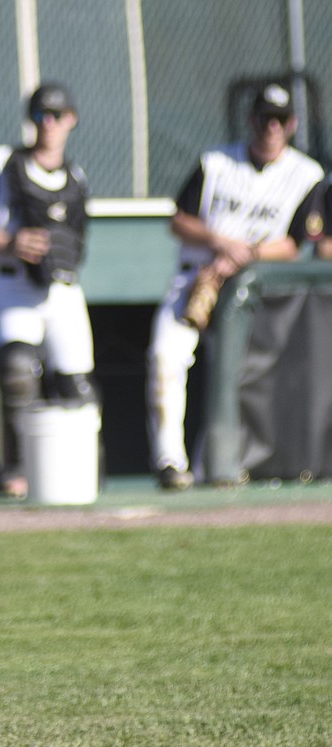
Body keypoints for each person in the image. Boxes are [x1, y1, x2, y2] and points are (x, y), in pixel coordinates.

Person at [146, 82, 324, 490]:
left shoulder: (305, 174)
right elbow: (178, 220)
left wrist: (245, 255)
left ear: (292, 124)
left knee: (237, 378)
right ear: (251, 120)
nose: (271, 128)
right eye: (264, 119)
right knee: (165, 359)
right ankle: (170, 461)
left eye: (280, 120)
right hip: (198, 279)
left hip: (250, 291)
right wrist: (220, 243)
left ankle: (217, 464)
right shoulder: (216, 162)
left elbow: (296, 244)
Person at [0, 82, 97, 499]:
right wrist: (8, 241)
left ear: (71, 120)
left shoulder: (76, 176)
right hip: (14, 282)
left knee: (78, 387)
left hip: (62, 289)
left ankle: (85, 467)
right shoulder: (1, 163)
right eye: (40, 116)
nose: (47, 124)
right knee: (18, 373)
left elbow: (80, 238)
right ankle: (20, 467)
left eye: (56, 116)